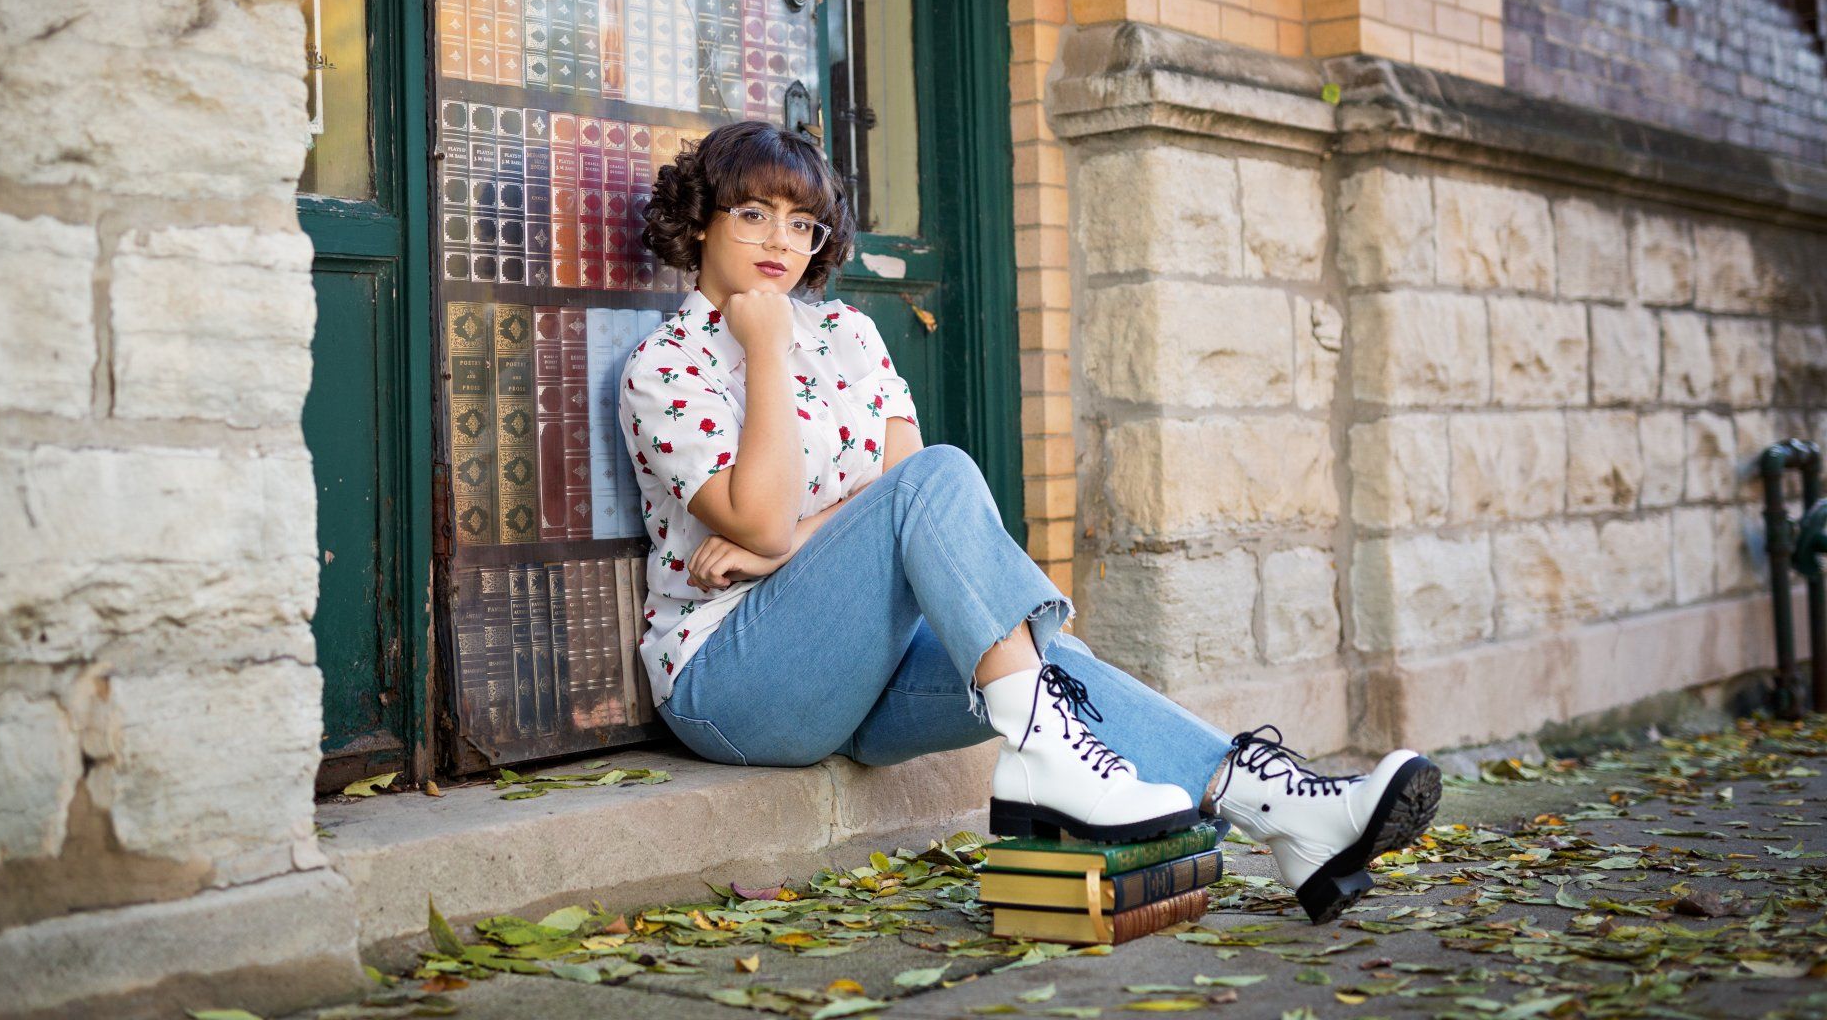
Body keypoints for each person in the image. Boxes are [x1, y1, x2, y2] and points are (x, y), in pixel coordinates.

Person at [616, 121, 1442, 924]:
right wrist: (761, 348)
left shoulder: (846, 334)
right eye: (753, 213)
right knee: (952, 488)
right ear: (701, 221)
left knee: (1045, 655)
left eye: (803, 223)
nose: (780, 241)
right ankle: (1055, 760)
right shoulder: (665, 364)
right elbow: (767, 519)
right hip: (733, 681)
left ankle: (1287, 813)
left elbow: (891, 496)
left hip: (863, 674)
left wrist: (794, 543)